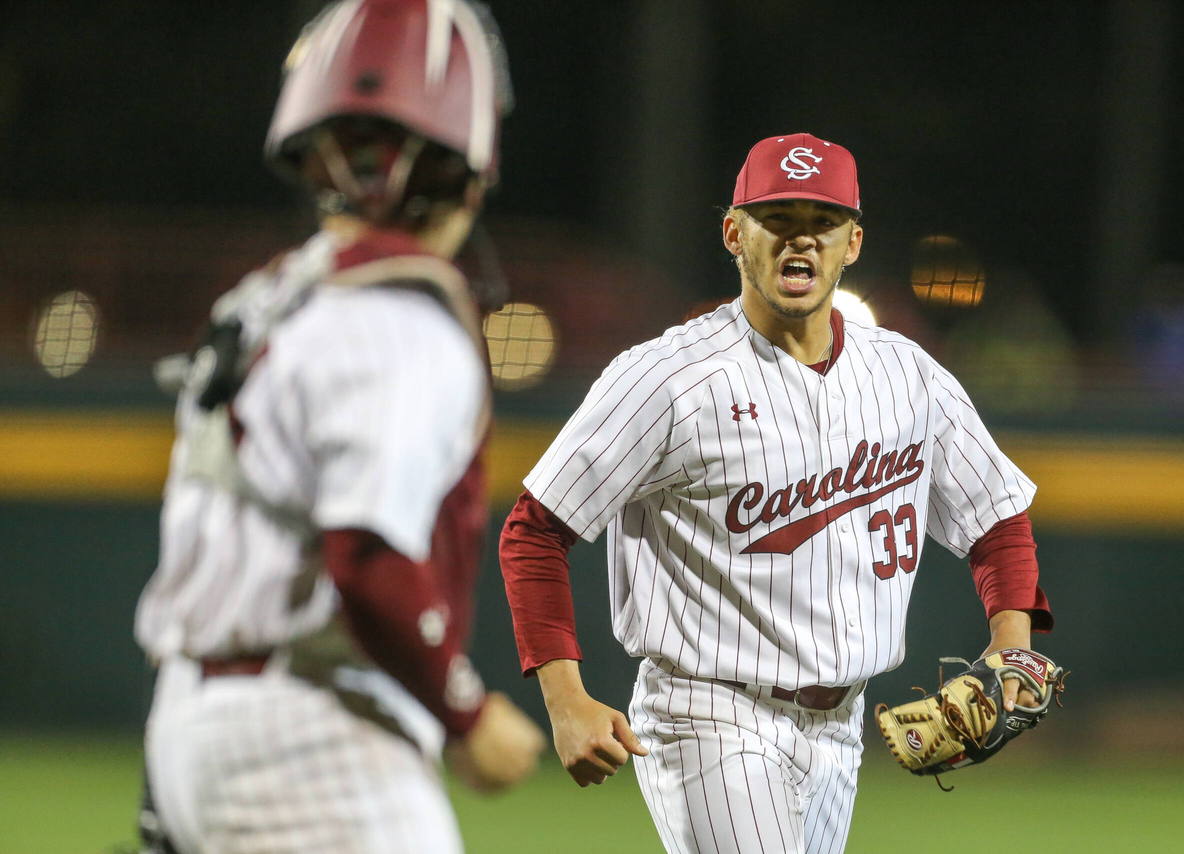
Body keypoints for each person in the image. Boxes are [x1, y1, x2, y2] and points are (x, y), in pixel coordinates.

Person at [500, 133, 1052, 854]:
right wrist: (564, 698)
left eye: (822, 223)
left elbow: (996, 517)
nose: (802, 242)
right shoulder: (669, 378)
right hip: (708, 714)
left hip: (842, 728)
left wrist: (1012, 647)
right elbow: (535, 529)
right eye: (778, 220)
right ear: (735, 233)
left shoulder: (908, 375)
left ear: (853, 242)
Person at [134, 2, 545, 852]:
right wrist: (465, 712)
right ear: (468, 166)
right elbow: (366, 555)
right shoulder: (398, 318)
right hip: (312, 734)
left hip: (191, 718)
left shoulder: (267, 301)